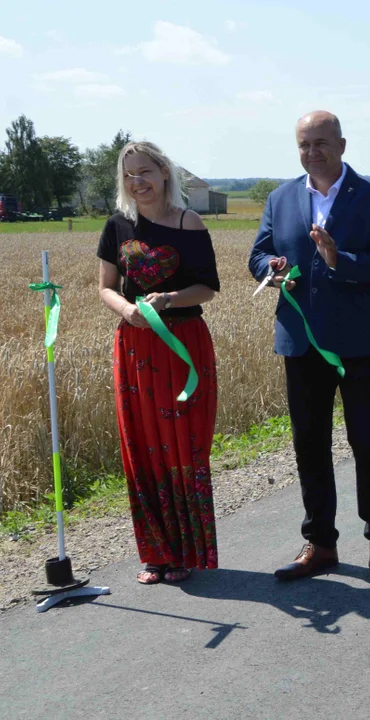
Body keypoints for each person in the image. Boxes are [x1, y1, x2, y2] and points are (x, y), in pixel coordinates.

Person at [248, 111, 370, 580]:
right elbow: (258, 253)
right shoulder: (280, 197)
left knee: (367, 441)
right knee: (309, 445)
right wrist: (270, 269)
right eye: (304, 144)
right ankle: (320, 544)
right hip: (301, 343)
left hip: (359, 342)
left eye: (320, 142)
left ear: (341, 144)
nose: (312, 152)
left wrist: (340, 260)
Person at [97, 141, 220, 585]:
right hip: (135, 347)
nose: (138, 182)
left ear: (164, 172)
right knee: (142, 444)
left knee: (184, 444)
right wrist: (126, 309)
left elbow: (207, 288)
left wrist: (167, 299)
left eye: (145, 171)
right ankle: (156, 554)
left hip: (182, 346)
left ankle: (186, 553)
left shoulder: (189, 222)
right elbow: (106, 287)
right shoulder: (117, 225)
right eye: (129, 175)